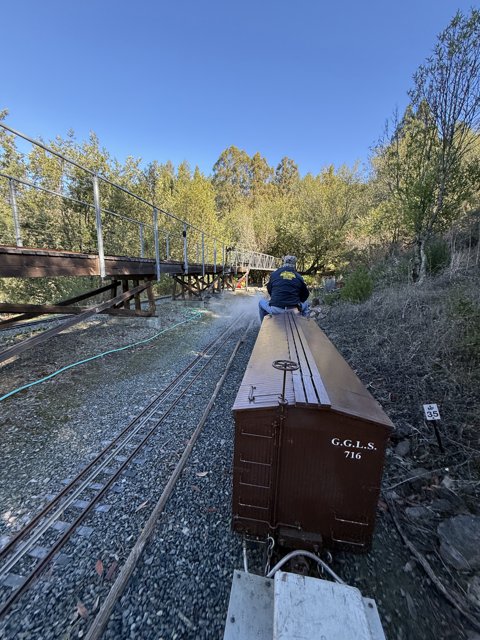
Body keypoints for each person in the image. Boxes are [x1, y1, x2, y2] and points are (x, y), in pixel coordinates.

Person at [258, 255, 309, 322]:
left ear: (284, 263)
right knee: (306, 304)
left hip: (276, 310)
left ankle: (263, 325)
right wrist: (297, 300)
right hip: (294, 311)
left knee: (261, 302)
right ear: (294, 264)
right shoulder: (299, 277)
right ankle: (304, 323)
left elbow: (270, 290)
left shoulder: (274, 274)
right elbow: (305, 295)